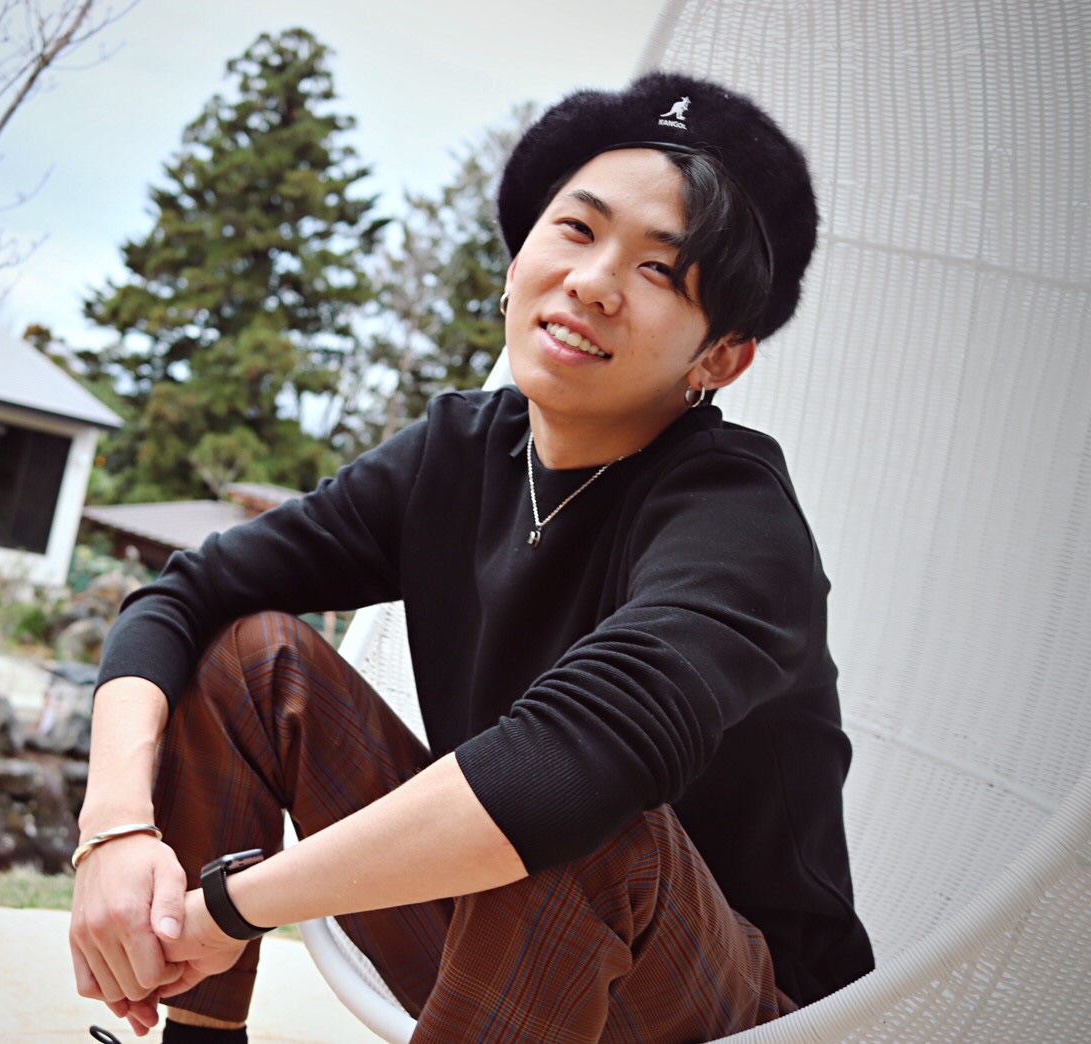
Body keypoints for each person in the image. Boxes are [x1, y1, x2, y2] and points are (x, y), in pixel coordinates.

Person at [70, 71, 876, 1043]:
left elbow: (572, 768)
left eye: (662, 271)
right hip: (501, 945)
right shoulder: (457, 453)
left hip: (735, 1010)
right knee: (251, 658)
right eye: (575, 229)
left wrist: (231, 907)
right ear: (520, 254)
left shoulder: (737, 515)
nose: (592, 282)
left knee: (586, 821)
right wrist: (113, 831)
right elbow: (181, 598)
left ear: (720, 358)